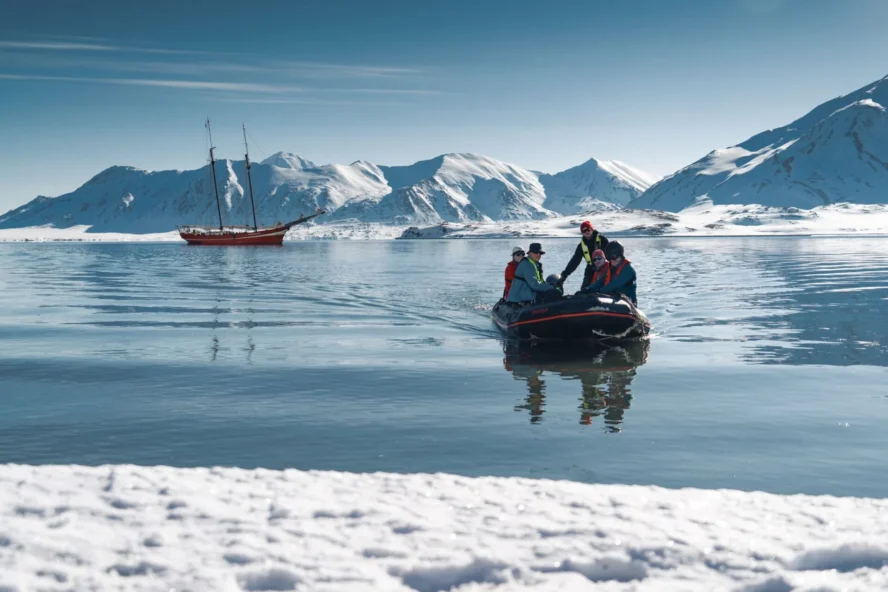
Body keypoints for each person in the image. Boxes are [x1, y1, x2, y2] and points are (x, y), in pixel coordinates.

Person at [557, 220, 609, 291]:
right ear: (582, 233)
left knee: (604, 287)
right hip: (591, 269)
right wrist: (565, 274)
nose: (587, 232)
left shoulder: (602, 240)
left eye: (588, 229)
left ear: (592, 229)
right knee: (584, 290)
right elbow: (575, 261)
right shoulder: (581, 246)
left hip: (605, 268)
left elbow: (610, 255)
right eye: (584, 231)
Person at [582, 240, 637, 305]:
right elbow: (600, 281)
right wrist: (587, 289)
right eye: (610, 259)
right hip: (613, 300)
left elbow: (615, 284)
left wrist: (598, 291)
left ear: (620, 255)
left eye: (615, 258)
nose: (613, 261)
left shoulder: (628, 269)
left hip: (628, 302)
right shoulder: (610, 268)